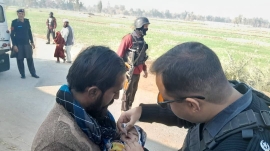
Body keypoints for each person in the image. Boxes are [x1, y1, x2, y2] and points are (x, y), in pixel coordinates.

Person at [117, 42, 270, 151]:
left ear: (192, 105)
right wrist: (142, 111)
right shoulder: (228, 95)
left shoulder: (238, 145)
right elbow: (189, 116)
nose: (164, 104)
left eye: (165, 100)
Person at [31, 46, 143, 151]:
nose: (117, 97)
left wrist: (123, 137)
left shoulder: (93, 114)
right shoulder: (57, 143)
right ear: (93, 92)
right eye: (114, 92)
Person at [117, 17, 150, 111]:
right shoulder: (128, 38)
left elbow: (142, 57)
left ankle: (129, 108)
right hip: (128, 72)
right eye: (145, 26)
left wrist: (144, 69)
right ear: (140, 26)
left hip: (137, 72)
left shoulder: (142, 41)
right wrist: (120, 71)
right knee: (127, 92)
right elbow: (119, 55)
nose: (147, 28)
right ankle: (124, 112)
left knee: (133, 92)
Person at [10, 9, 39, 79]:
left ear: (24, 14)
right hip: (18, 44)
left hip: (26, 43)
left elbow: (29, 32)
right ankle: (22, 74)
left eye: (22, 13)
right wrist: (14, 45)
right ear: (17, 14)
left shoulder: (27, 21)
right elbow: (12, 35)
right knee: (20, 60)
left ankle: (33, 73)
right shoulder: (14, 22)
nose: (21, 15)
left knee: (30, 59)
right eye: (19, 13)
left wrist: (32, 42)